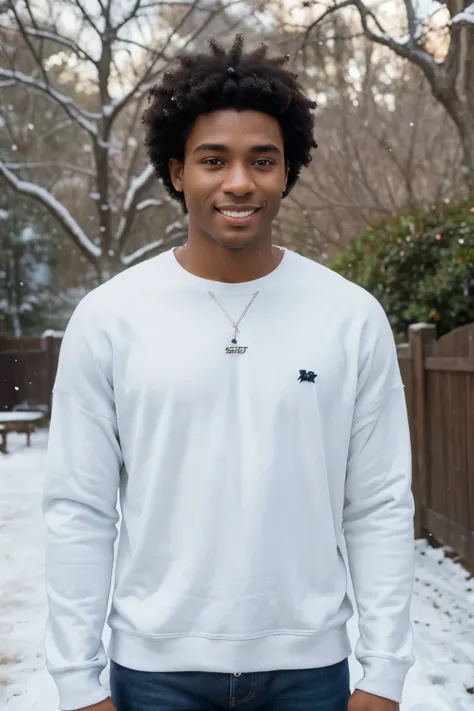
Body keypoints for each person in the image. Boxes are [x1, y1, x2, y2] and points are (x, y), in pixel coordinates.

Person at [43, 33, 415, 711]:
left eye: (262, 161)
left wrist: (384, 671)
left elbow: (380, 503)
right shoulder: (110, 318)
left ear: (288, 171)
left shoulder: (350, 316)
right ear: (177, 171)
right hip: (155, 674)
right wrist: (76, 681)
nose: (239, 182)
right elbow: (81, 509)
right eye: (214, 159)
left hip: (311, 671)